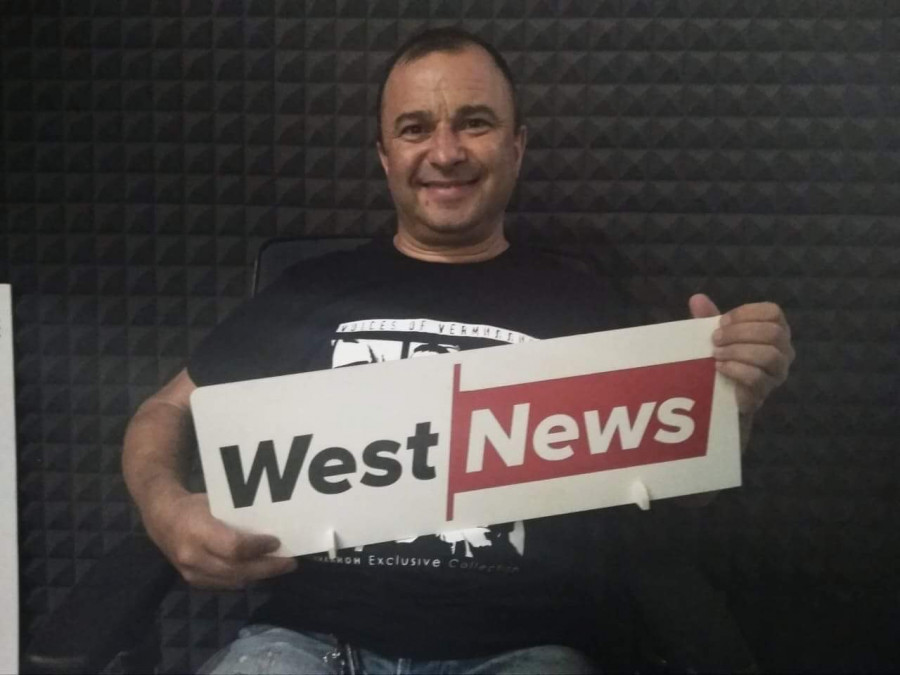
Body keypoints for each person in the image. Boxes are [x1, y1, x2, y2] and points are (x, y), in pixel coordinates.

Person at [122, 27, 795, 674]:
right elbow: (166, 409)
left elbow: (689, 495)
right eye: (415, 129)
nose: (445, 153)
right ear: (385, 154)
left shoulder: (586, 304)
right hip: (310, 641)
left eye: (475, 123)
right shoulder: (309, 290)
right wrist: (164, 506)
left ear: (517, 145)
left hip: (522, 649)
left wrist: (730, 406)